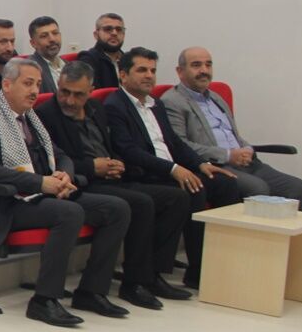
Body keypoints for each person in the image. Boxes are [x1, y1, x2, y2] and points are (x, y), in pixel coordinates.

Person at [0, 59, 133, 326]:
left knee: (117, 209)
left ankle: (91, 291)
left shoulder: (32, 120)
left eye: (38, 84)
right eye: (27, 83)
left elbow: (61, 155)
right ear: (7, 85)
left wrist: (64, 174)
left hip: (43, 196)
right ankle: (43, 300)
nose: (35, 91)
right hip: (8, 204)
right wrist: (40, 183)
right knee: (69, 212)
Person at [36, 60, 195, 309]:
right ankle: (132, 283)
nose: (69, 100)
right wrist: (92, 167)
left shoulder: (96, 109)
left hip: (110, 177)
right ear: (58, 85)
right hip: (81, 183)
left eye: (78, 94)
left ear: (91, 91)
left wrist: (116, 163)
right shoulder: (46, 115)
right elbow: (51, 162)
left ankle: (153, 274)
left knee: (177, 198)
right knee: (140, 203)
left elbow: (113, 147)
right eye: (64, 92)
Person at [104, 47, 241, 289]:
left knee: (226, 184)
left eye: (153, 70)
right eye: (142, 70)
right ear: (123, 75)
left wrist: (201, 164)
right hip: (145, 174)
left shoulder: (155, 104)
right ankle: (185, 271)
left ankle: (218, 263)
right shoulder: (115, 105)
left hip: (169, 169)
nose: (149, 76)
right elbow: (129, 151)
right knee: (193, 190)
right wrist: (173, 169)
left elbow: (175, 143)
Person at [162, 47, 302, 206]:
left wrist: (247, 148)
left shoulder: (215, 98)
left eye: (208, 65)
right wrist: (228, 155)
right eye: (196, 65)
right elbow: (180, 145)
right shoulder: (173, 101)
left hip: (246, 163)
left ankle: (276, 224)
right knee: (258, 189)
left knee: (299, 189)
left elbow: (232, 135)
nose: (204, 70)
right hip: (215, 165)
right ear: (180, 71)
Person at [77, 13, 125, 89]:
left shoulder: (129, 60)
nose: (114, 33)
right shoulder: (88, 59)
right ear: (96, 35)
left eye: (119, 29)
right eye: (108, 29)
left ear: (124, 34)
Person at [27, 16, 65, 94]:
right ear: (33, 43)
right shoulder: (30, 70)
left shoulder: (69, 64)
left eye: (55, 33)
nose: (52, 39)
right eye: (44, 36)